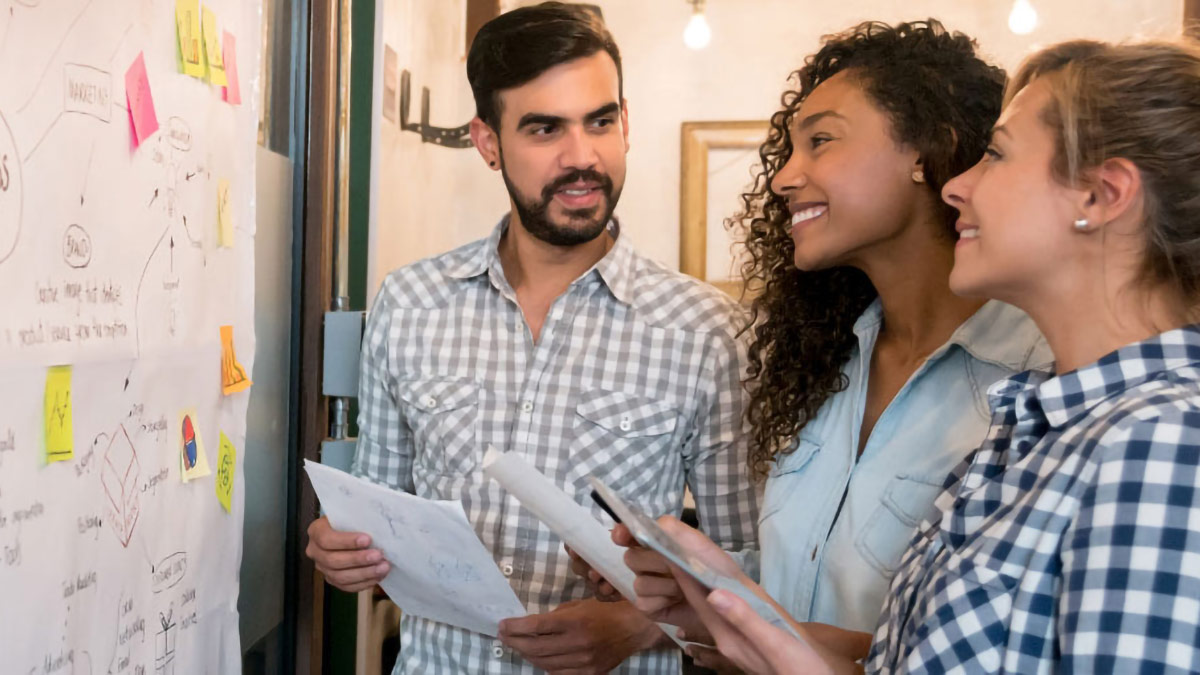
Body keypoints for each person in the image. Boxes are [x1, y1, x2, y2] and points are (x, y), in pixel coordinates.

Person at [625, 37, 1200, 675]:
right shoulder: (1031, 423)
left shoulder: (1162, 443)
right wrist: (732, 605)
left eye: (997, 155)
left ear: (1100, 195)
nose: (960, 185)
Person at [574, 19, 1047, 668]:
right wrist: (694, 587)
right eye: (791, 150)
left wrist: (758, 623)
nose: (783, 178)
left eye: (821, 140)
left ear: (928, 150)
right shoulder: (824, 370)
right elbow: (798, 585)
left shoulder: (1040, 376)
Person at [304, 3, 758, 673]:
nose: (583, 157)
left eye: (601, 121)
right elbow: (375, 515)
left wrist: (640, 625)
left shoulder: (707, 331)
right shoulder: (410, 302)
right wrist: (343, 547)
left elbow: (750, 570)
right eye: (544, 129)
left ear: (626, 123)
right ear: (487, 142)